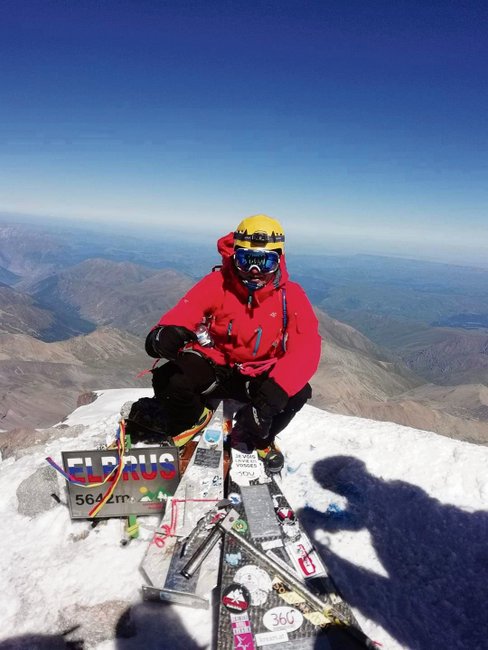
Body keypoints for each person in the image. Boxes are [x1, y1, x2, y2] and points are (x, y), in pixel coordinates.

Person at [130, 214, 321, 473]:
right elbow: (189, 308)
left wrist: (277, 390)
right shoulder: (218, 283)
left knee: (296, 392)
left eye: (265, 262)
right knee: (170, 378)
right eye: (246, 261)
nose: (255, 271)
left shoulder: (291, 296)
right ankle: (191, 419)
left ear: (279, 259)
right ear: (235, 256)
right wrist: (166, 332)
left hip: (258, 373)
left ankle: (260, 437)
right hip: (218, 363)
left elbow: (307, 345)